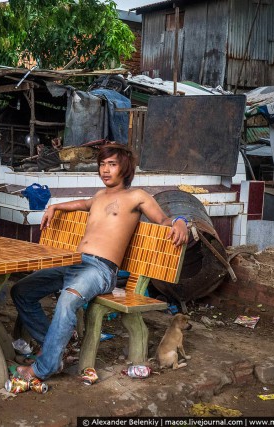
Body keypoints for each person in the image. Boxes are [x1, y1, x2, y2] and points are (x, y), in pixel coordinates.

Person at [12, 143, 189, 381]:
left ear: (124, 169)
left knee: (67, 301)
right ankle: (52, 345)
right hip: (74, 262)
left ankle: (45, 367)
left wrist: (179, 221)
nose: (105, 170)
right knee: (21, 290)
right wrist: (55, 207)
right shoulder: (99, 196)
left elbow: (163, 219)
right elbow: (81, 204)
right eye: (102, 165)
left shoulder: (136, 197)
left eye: (112, 165)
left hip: (100, 269)